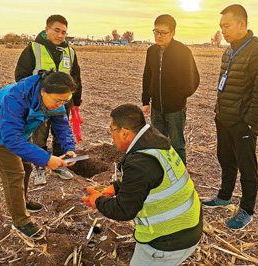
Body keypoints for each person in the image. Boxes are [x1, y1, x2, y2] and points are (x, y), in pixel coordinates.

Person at [82, 104, 202, 266]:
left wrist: (98, 201)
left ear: (124, 132)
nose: (111, 137)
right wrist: (116, 187)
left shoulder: (140, 162)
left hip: (168, 241)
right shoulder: (154, 142)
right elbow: (148, 178)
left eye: (112, 131)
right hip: (187, 225)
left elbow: (124, 210)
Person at [202, 4, 258, 230]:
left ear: (242, 24)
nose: (222, 31)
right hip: (223, 118)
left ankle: (246, 210)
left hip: (242, 123)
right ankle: (224, 196)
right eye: (220, 26)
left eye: (226, 26)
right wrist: (218, 112)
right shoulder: (229, 50)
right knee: (225, 158)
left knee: (247, 166)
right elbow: (224, 86)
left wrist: (249, 122)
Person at [0, 71, 77, 239]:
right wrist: (46, 159)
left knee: (27, 165)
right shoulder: (16, 97)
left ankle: (22, 201)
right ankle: (20, 221)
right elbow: (11, 139)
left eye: (65, 100)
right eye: (58, 100)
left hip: (21, 132)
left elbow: (62, 126)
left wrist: (69, 148)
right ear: (43, 91)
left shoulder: (56, 100)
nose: (60, 104)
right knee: (14, 175)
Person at [15, 14, 82, 185]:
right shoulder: (33, 49)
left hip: (62, 103)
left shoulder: (70, 52)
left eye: (64, 32)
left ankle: (59, 166)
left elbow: (76, 78)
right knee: (40, 135)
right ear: (47, 29)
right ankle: (40, 167)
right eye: (57, 30)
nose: (60, 35)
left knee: (61, 134)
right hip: (39, 104)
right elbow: (21, 76)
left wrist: (76, 102)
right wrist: (36, 95)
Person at [142, 14, 200, 165]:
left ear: (173, 32)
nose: (159, 36)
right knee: (158, 144)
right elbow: (147, 76)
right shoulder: (151, 52)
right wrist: (146, 101)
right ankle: (161, 175)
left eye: (163, 33)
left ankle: (180, 179)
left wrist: (179, 96)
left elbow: (194, 78)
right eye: (156, 32)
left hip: (175, 108)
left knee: (177, 145)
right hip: (156, 108)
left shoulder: (183, 52)